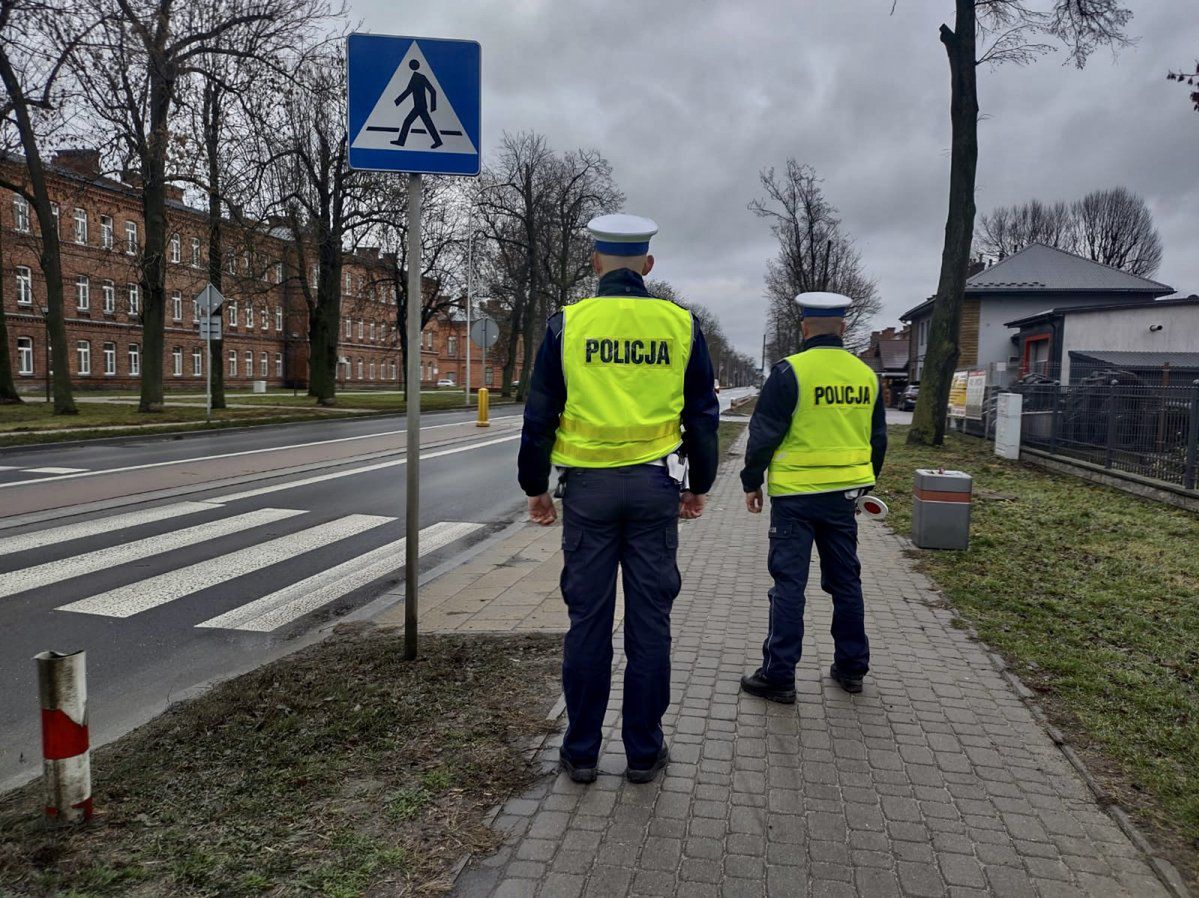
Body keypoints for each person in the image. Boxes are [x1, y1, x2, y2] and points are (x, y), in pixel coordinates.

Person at [519, 213, 720, 784]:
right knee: (650, 624)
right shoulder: (681, 325)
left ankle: (580, 752)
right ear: (648, 265)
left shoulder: (568, 324)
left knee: (588, 622)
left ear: (596, 263)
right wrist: (698, 485)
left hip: (588, 493)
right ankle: (642, 752)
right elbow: (703, 415)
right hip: (657, 488)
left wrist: (535, 487)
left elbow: (539, 416)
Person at [739, 292, 887, 703]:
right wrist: (865, 484)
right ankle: (852, 668)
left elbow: (764, 434)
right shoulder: (866, 375)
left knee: (789, 585)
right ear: (842, 328)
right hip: (844, 498)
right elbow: (878, 440)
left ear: (805, 328)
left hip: (796, 498)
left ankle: (780, 676)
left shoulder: (789, 373)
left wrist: (752, 481)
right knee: (846, 582)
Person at [392, 59, 442, 149]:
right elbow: (408, 91)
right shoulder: (415, 77)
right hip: (419, 106)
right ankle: (438, 141)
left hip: (420, 106)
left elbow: (432, 91)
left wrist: (433, 107)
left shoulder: (419, 77)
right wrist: (397, 102)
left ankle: (401, 141)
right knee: (425, 123)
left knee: (409, 122)